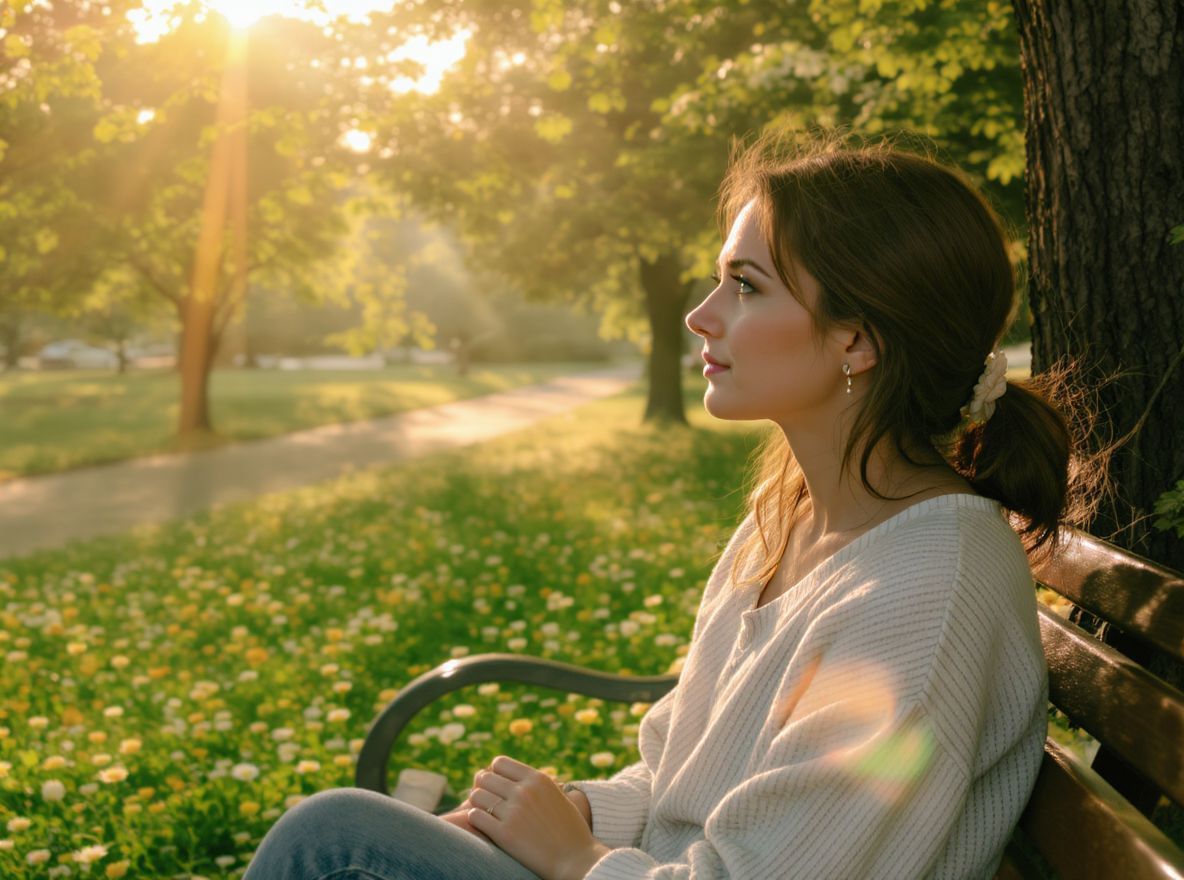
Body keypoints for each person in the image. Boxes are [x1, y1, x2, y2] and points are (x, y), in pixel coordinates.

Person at [243, 132, 1091, 879]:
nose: (701, 314)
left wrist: (577, 862)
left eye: (747, 287)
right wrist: (579, 810)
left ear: (857, 341)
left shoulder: (926, 589)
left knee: (336, 841)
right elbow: (681, 781)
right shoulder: (790, 517)